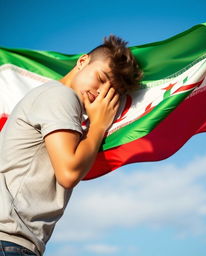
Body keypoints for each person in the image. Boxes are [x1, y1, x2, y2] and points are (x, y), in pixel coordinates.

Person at [0, 35, 142, 256]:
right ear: (82, 61)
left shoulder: (58, 99)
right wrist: (98, 126)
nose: (101, 92)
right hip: (9, 241)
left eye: (111, 91)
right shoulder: (61, 95)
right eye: (101, 78)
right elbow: (68, 172)